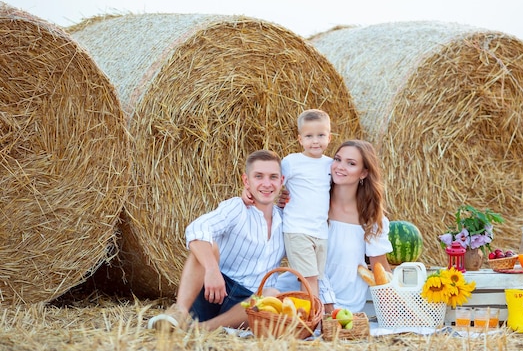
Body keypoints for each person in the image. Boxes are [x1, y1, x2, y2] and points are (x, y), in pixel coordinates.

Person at [148, 149, 286, 331]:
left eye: (273, 177)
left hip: (246, 307)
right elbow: (196, 229)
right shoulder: (237, 207)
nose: (266, 184)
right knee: (207, 245)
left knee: (273, 296)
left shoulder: (288, 220)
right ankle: (179, 313)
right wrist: (213, 270)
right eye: (258, 176)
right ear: (246, 181)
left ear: (281, 181)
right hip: (215, 291)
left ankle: (201, 329)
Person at [276, 139, 393, 314]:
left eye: (351, 163)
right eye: (337, 159)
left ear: (363, 173)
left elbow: (380, 268)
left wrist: (397, 309)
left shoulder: (371, 218)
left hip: (346, 304)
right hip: (305, 291)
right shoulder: (311, 207)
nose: (340, 166)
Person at [280, 109, 333, 299]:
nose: (315, 141)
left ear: (329, 137)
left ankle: (312, 318)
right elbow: (274, 183)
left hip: (321, 232)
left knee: (315, 278)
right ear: (300, 139)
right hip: (298, 229)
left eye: (321, 135)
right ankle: (312, 323)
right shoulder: (292, 162)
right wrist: (280, 197)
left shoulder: (331, 164)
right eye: (309, 136)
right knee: (308, 278)